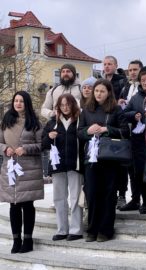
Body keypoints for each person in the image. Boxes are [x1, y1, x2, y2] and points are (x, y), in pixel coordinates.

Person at [78, 79, 129, 242]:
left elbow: (125, 131)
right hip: (91, 159)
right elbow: (79, 133)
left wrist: (107, 129)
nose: (98, 94)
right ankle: (92, 230)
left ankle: (106, 230)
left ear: (108, 93)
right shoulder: (86, 110)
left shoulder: (116, 110)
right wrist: (88, 130)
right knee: (92, 194)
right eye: (96, 91)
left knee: (108, 195)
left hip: (110, 159)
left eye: (102, 91)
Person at [0, 91, 43, 253]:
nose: (18, 104)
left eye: (21, 101)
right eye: (16, 101)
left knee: (27, 205)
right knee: (14, 205)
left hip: (28, 169)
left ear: (27, 104)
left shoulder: (35, 123)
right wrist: (5, 149)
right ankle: (16, 239)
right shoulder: (5, 122)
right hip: (10, 168)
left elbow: (41, 145)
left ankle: (28, 239)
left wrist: (25, 149)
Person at [42, 94, 83, 241]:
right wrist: (49, 137)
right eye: (62, 105)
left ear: (73, 105)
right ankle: (62, 229)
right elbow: (43, 143)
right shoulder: (52, 122)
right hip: (57, 165)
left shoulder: (79, 120)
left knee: (75, 198)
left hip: (75, 164)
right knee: (59, 198)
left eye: (68, 104)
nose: (65, 108)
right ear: (57, 107)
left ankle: (76, 230)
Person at [120, 66, 146, 214]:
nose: (145, 83)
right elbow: (125, 113)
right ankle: (145, 202)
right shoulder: (136, 97)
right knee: (141, 172)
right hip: (139, 140)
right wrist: (134, 114)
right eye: (142, 80)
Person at [102, 55, 128, 209]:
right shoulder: (100, 80)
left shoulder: (121, 81)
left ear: (116, 65)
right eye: (104, 64)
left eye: (109, 64)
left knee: (121, 164)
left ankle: (122, 194)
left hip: (118, 122)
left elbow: (124, 100)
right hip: (103, 123)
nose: (106, 67)